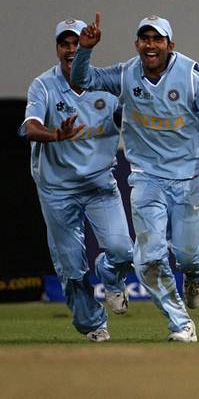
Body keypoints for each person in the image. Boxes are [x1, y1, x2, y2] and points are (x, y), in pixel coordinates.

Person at [71, 14, 199, 343]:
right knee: (148, 257)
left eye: (158, 39)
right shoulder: (125, 73)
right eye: (145, 38)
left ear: (170, 45)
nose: (150, 44)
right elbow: (82, 81)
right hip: (146, 178)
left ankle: (193, 272)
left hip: (188, 179)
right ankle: (180, 322)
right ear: (137, 44)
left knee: (188, 254)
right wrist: (85, 51)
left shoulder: (191, 77)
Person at [19, 19, 133, 342]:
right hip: (57, 190)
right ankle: (93, 324)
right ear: (58, 49)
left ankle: (111, 276)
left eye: (76, 43)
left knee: (122, 250)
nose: (70, 50)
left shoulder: (108, 86)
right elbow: (30, 127)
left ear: (86, 46)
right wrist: (55, 134)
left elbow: (138, 120)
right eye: (64, 44)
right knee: (70, 267)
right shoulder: (43, 86)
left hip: (100, 185)